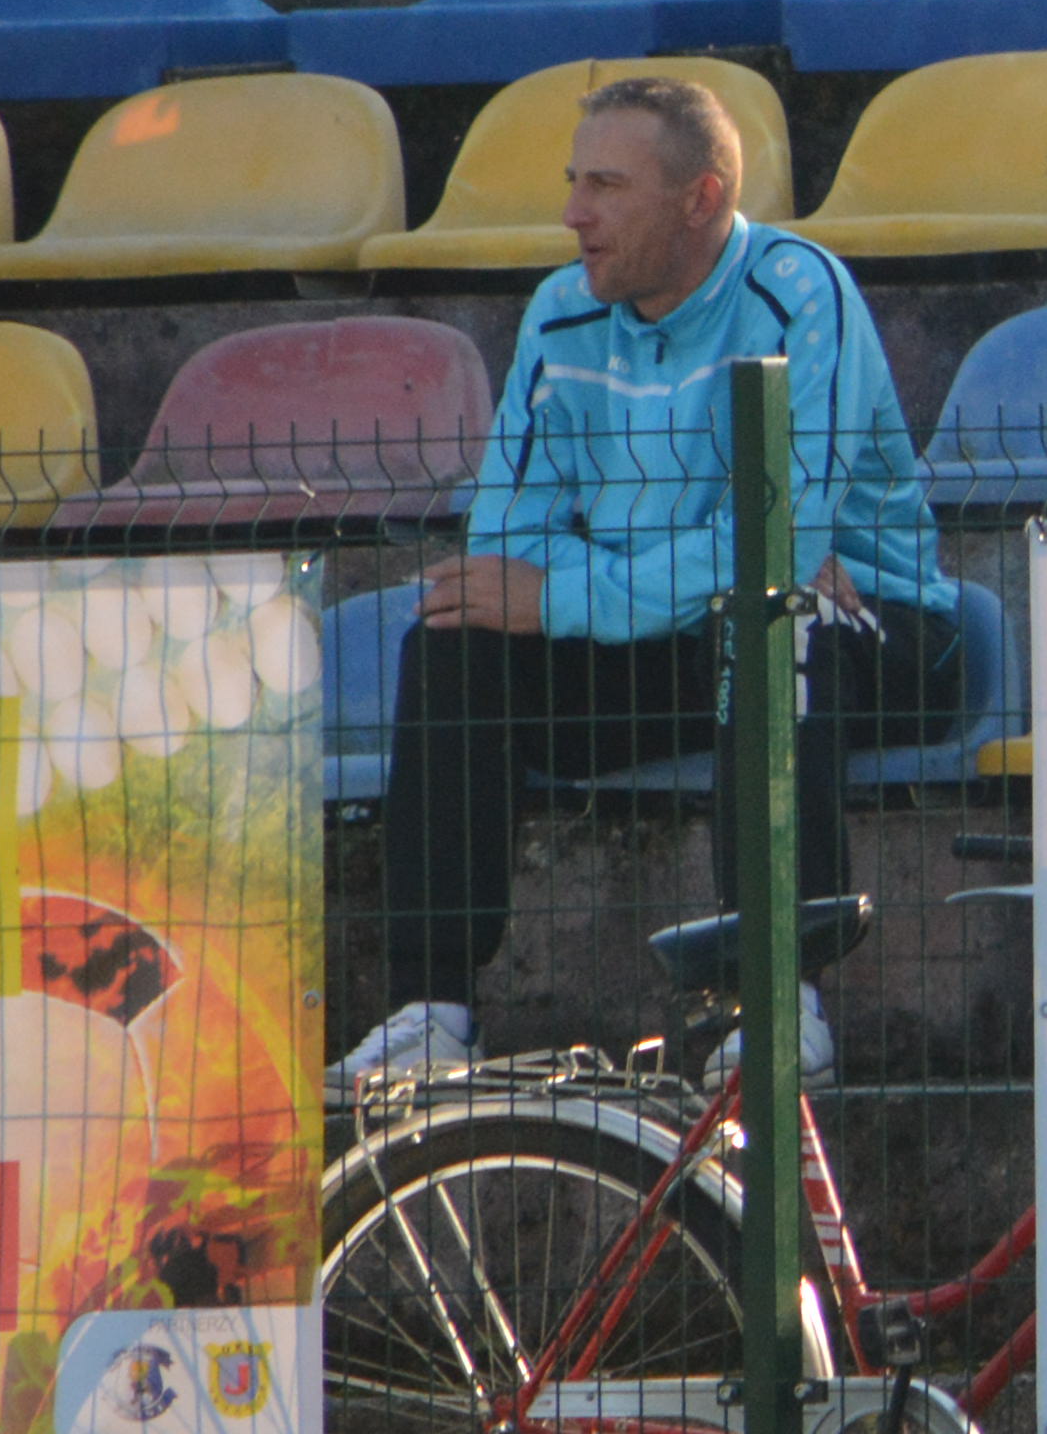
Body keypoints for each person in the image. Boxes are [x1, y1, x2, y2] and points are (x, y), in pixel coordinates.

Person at [335, 75, 955, 1087]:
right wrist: (653, 572)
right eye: (574, 180)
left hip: (876, 631)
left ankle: (778, 999)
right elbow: (508, 545)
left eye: (607, 186)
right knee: (455, 633)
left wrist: (581, 587)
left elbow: (778, 543)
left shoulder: (801, 292)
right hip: (675, 637)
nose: (573, 213)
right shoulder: (559, 313)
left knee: (775, 616)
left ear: (701, 199)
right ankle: (431, 1011)